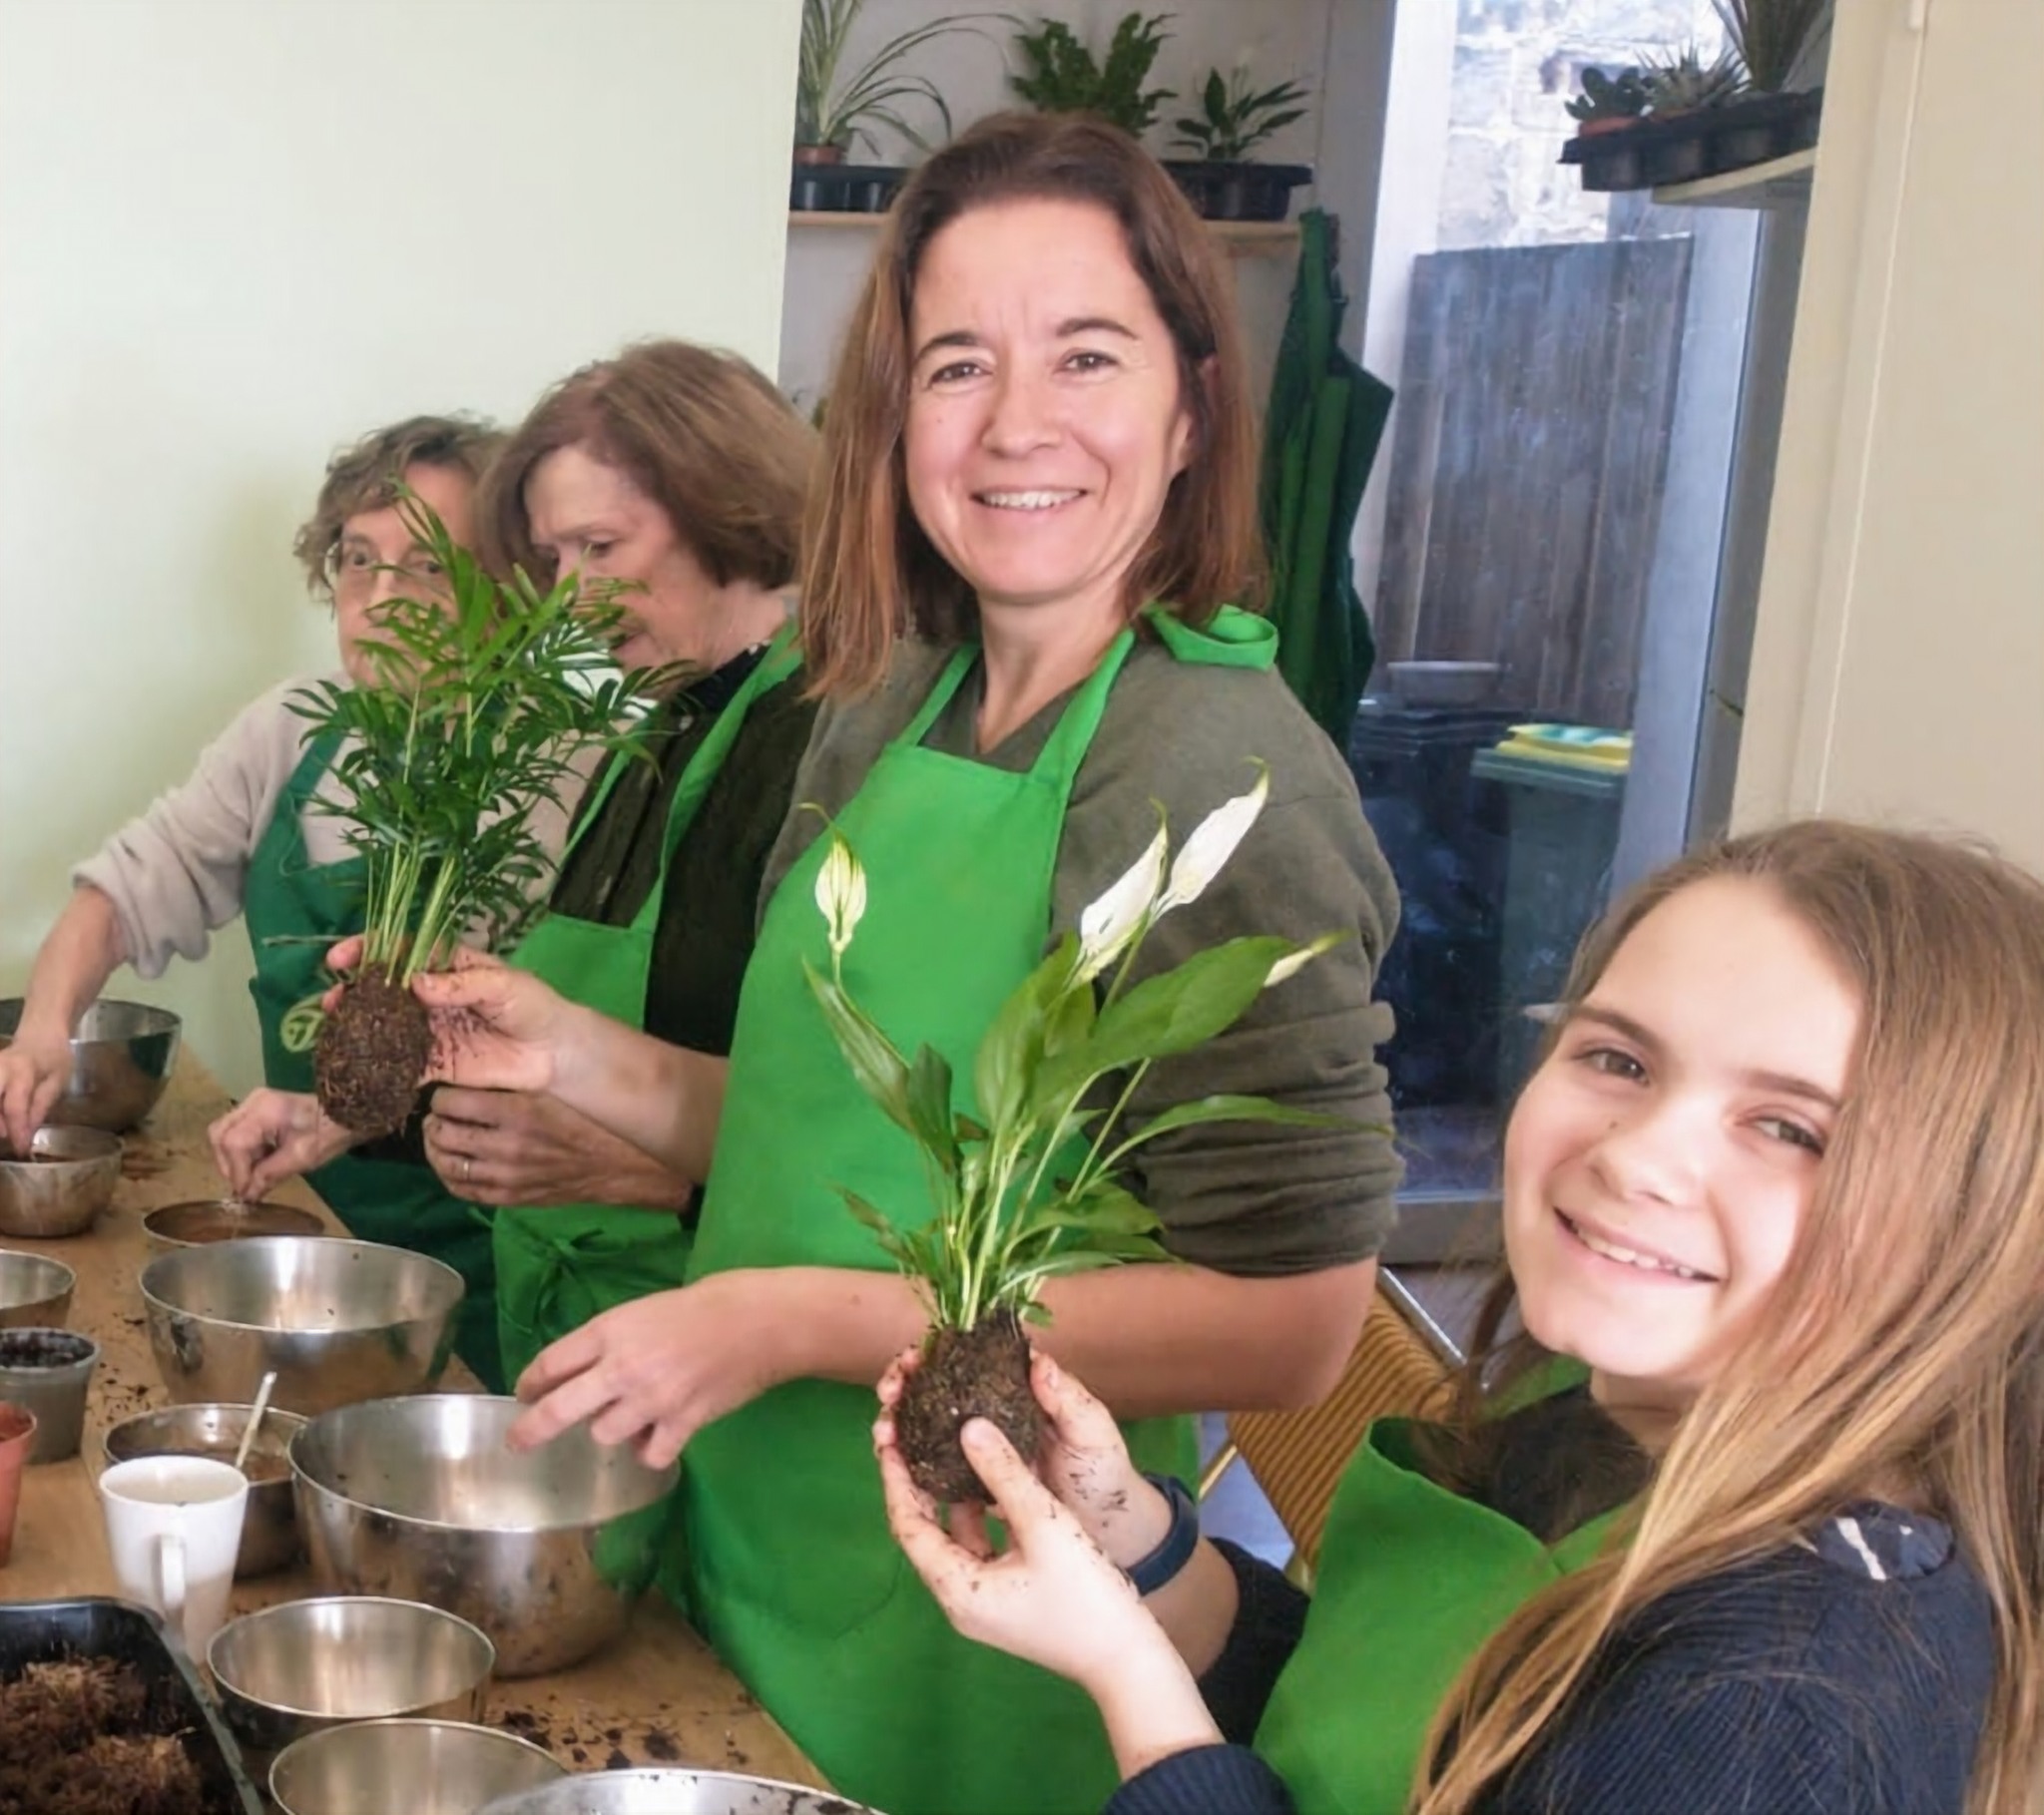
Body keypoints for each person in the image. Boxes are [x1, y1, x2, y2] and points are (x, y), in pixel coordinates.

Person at [370, 112, 1404, 1815]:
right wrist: (567, 1053)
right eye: (954, 365)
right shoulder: (886, 699)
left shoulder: (1208, 765)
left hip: (986, 1621)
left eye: (1085, 353)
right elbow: (804, 1136)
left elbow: (1293, 1324)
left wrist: (792, 1322)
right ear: (889, 414)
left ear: (1190, 403)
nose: (1015, 424)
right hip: (756, 1547)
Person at [879, 818, 2044, 1815]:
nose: (1637, 1156)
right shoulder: (1587, 1420)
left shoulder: (1781, 1705)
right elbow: (1380, 1737)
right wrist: (1134, 1543)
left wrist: (1125, 1674)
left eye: (1788, 1128)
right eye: (1617, 1058)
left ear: (1966, 1224)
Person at [211, 341, 819, 1392]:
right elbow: (574, 1052)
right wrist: (339, 1113)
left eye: (598, 546)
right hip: (580, 1333)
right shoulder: (659, 733)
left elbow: (845, 1131)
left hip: (732, 1362)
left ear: (731, 509)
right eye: (553, 559)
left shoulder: (823, 742)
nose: (569, 598)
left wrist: (661, 1179)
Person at [0, 415, 528, 1380]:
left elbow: (519, 1049)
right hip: (307, 1219)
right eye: (357, 561)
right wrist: (42, 1027)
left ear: (499, 584)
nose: (377, 598)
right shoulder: (292, 730)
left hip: (482, 1257)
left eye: (422, 566)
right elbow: (122, 890)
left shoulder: (541, 767)